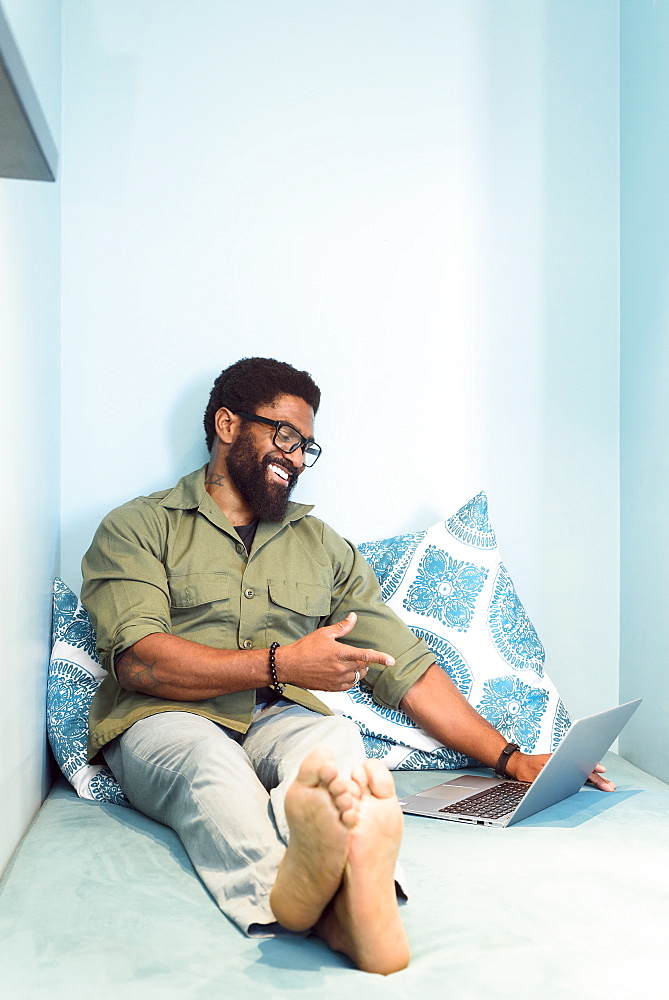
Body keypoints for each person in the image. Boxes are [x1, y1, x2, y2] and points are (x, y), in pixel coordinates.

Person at [82, 357, 613, 976]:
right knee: (209, 767)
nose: (298, 458)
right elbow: (142, 663)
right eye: (284, 435)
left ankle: (361, 886)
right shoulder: (137, 526)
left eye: (307, 445)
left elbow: (404, 665)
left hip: (282, 719)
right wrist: (282, 665)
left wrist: (508, 757)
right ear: (227, 425)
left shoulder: (322, 545)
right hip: (166, 717)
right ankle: (313, 905)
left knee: (335, 750)